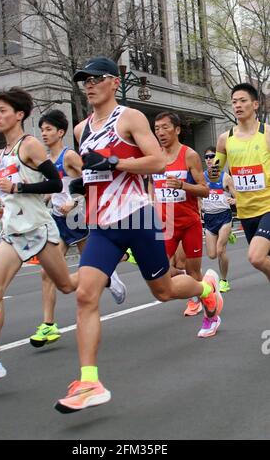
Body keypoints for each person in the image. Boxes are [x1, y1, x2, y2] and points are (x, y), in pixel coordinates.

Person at [54, 56, 223, 414]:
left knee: (163, 291)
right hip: (101, 225)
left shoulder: (128, 118)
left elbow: (157, 162)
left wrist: (115, 163)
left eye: (96, 78)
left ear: (114, 82)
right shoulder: (82, 128)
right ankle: (89, 382)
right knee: (85, 295)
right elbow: (94, 174)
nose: (89, 84)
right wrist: (78, 189)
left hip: (136, 216)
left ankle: (207, 290)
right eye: (84, 79)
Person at [0, 86, 80, 384]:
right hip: (12, 233)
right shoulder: (3, 152)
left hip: (39, 230)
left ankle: (101, 271)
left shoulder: (28, 145)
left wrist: (18, 190)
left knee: (68, 285)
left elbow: (56, 184)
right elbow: (8, 192)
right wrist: (0, 208)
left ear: (19, 114)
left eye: (3, 111)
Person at [29, 109, 126, 347]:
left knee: (91, 264)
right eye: (42, 129)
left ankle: (108, 276)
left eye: (49, 129)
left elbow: (90, 179)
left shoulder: (69, 156)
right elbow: (55, 189)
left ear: (60, 132)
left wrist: (75, 201)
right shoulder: (46, 161)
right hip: (57, 220)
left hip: (77, 217)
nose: (44, 133)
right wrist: (45, 200)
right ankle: (48, 325)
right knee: (46, 272)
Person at [210, 82, 270, 281]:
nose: (237, 105)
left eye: (243, 101)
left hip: (268, 206)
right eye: (234, 101)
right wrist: (213, 171)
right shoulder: (224, 139)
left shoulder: (267, 134)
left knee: (256, 257)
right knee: (265, 261)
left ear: (255, 104)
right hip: (245, 210)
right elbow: (214, 174)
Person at [153, 112, 209, 317]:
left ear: (177, 130)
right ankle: (190, 282)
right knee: (161, 272)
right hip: (165, 224)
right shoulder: (154, 157)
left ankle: (201, 300)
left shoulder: (189, 155)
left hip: (189, 222)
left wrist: (183, 185)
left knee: (194, 270)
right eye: (157, 128)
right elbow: (152, 187)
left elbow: (205, 190)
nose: (160, 132)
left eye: (165, 127)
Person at [202, 147, 236, 292]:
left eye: (212, 156)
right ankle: (229, 235)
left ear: (217, 159)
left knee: (220, 250)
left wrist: (235, 201)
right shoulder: (201, 177)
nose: (209, 159)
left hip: (224, 216)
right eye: (207, 157)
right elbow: (197, 196)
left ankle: (223, 280)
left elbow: (237, 196)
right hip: (209, 218)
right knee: (211, 255)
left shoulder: (225, 177)